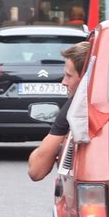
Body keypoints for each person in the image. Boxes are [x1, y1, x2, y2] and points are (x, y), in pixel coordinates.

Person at [27, 40, 90, 181]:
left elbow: (36, 170)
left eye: (68, 75)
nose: (63, 82)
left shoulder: (75, 107)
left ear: (85, 79)